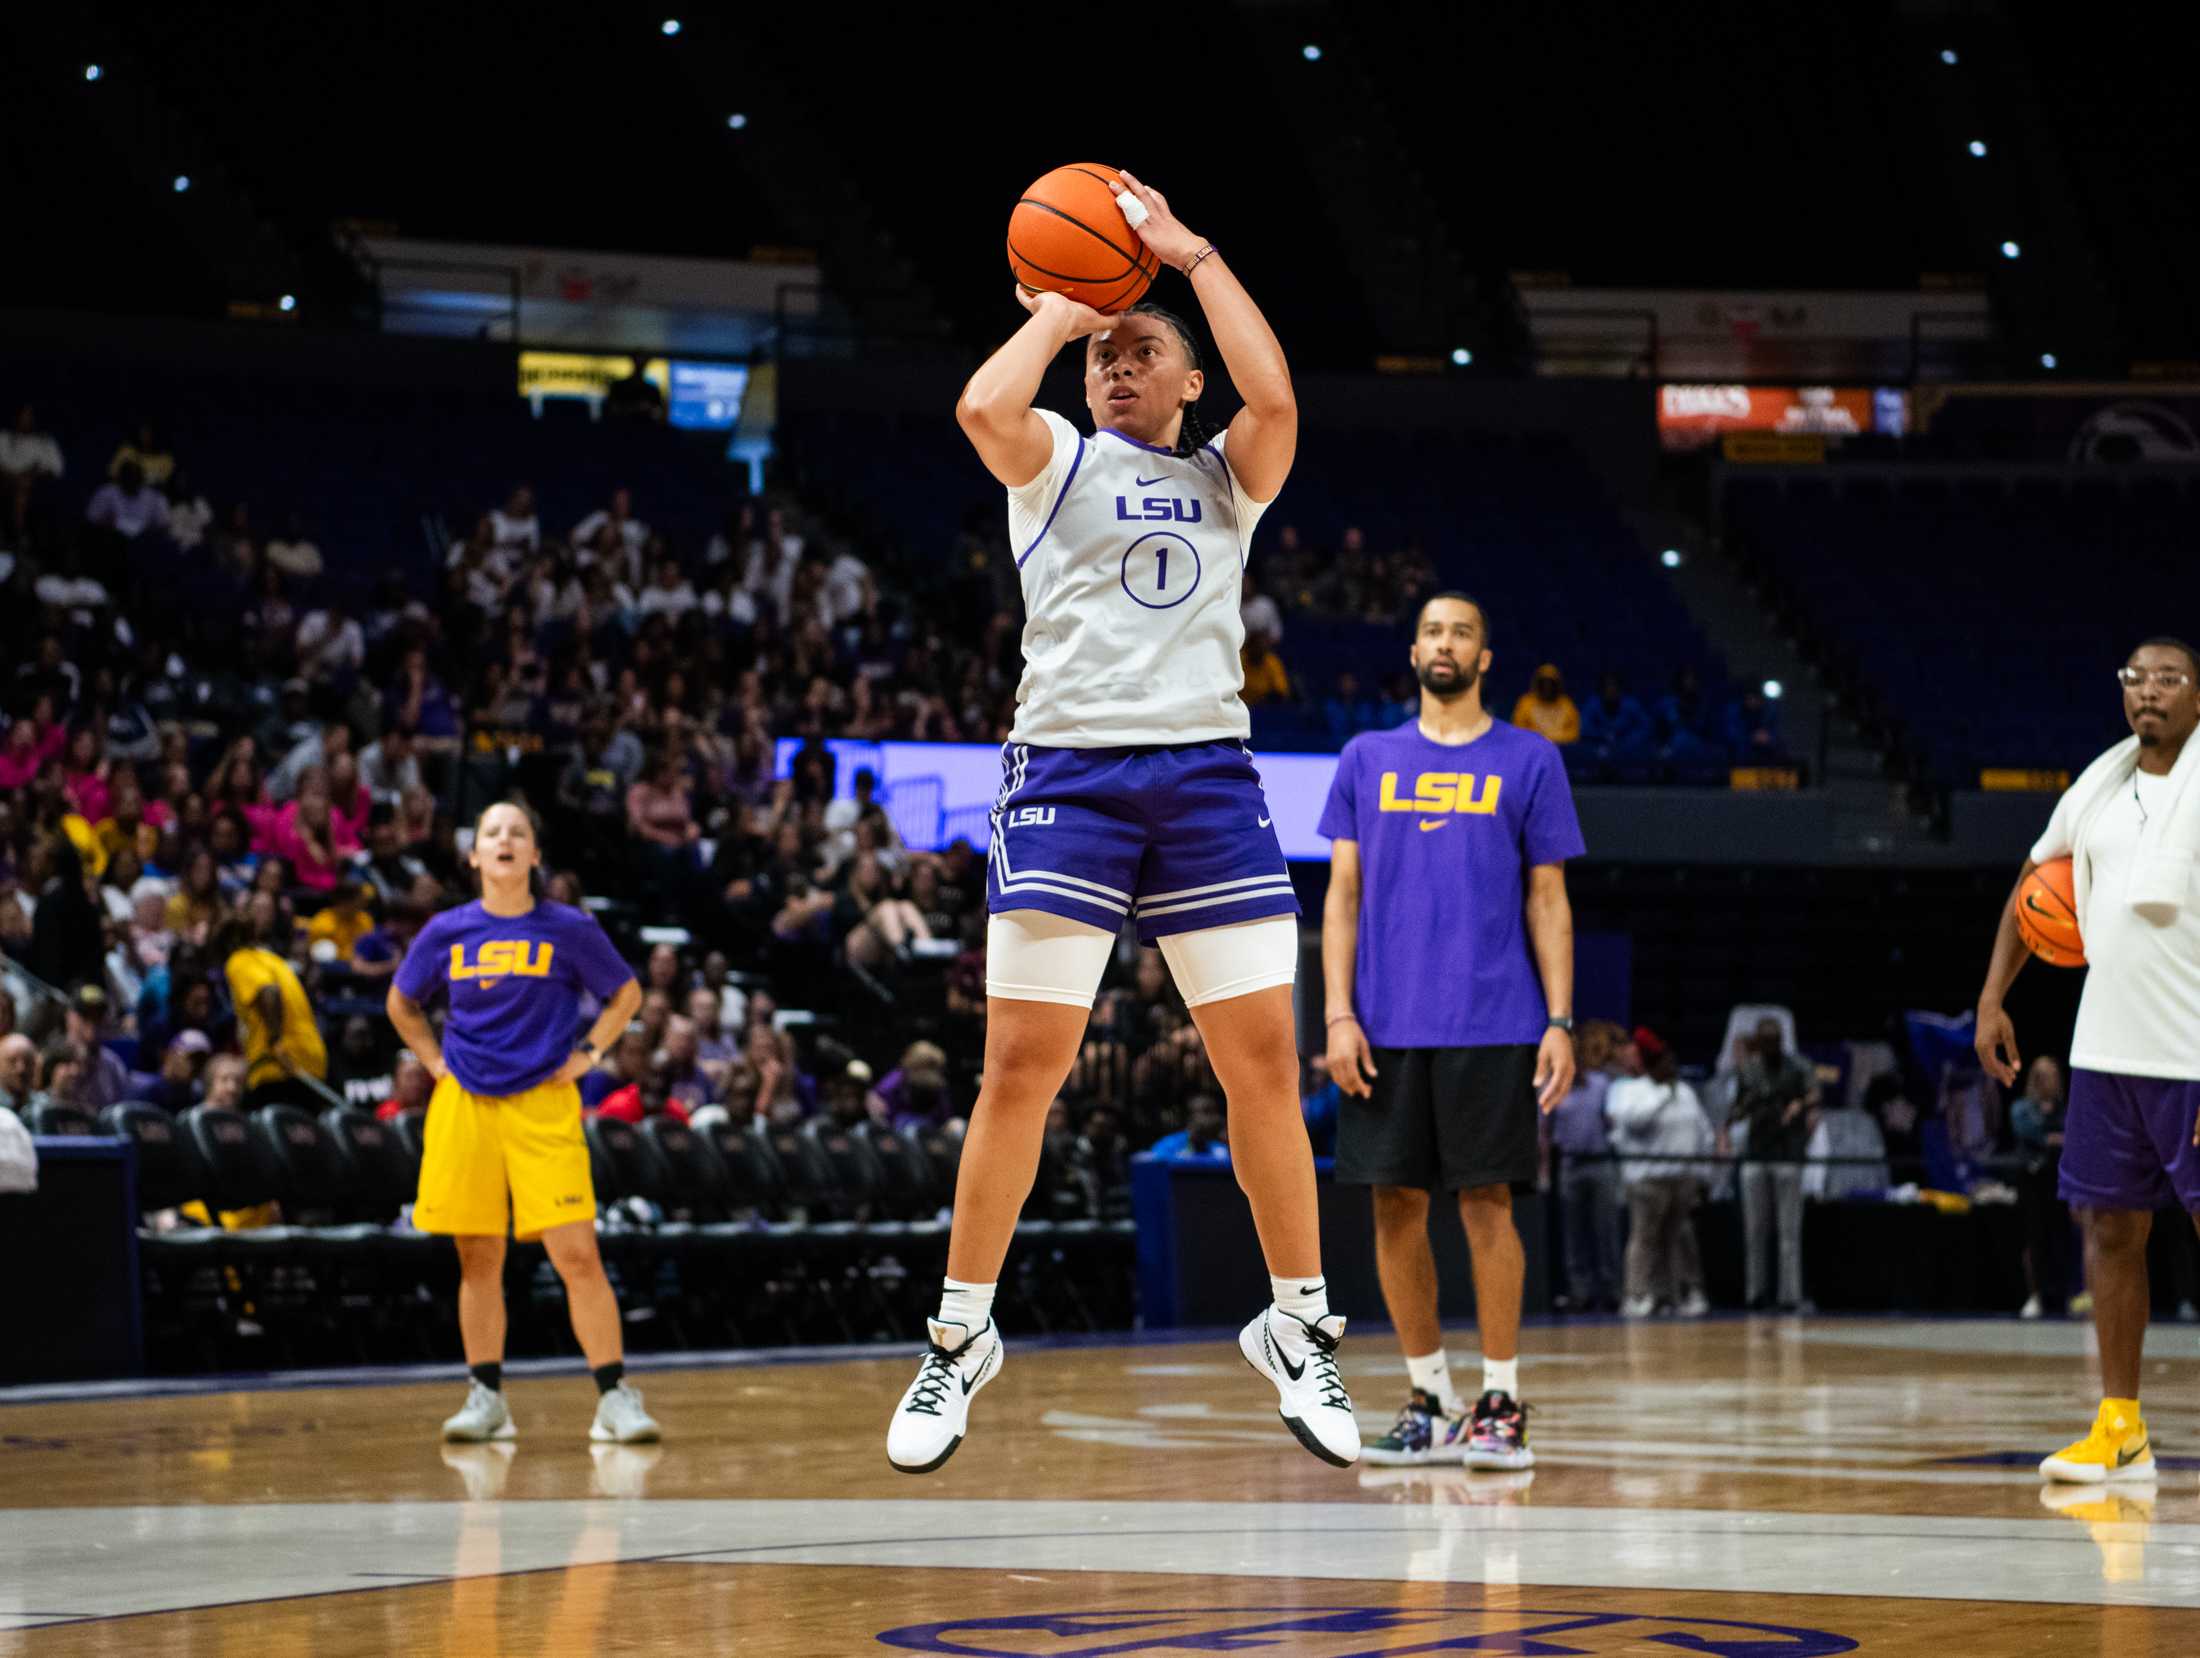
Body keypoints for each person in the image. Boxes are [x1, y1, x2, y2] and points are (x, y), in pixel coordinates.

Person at [887, 169, 1358, 1475]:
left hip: (1208, 778)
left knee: (1260, 1064)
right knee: (1019, 1069)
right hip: (1069, 779)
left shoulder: (1229, 476)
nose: (1115, 368)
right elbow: (986, 401)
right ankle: (959, 1337)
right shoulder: (1054, 461)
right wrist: (1064, 301)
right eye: (1104, 356)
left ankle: (1300, 1324)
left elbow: (1280, 398)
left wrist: (1189, 260)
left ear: (1185, 379)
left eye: (1140, 352)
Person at [1320, 591, 1584, 1470]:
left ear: (1485, 658)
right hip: (1385, 1025)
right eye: (1433, 630)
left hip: (1495, 1018)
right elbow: (1342, 896)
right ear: (1413, 652)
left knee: (1486, 1205)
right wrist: (1337, 1013)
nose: (1446, 643)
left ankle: (1500, 1402)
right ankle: (1431, 1399)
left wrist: (1559, 1020)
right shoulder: (1366, 758)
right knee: (1393, 1208)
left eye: (1462, 631)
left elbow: (1550, 898)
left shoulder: (1531, 758)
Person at [1976, 638, 2200, 1484]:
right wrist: (1994, 997)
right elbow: (2032, 884)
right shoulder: (2098, 785)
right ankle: (2121, 1429)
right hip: (2107, 1051)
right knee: (2110, 1229)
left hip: (2194, 1049)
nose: (2151, 691)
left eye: (2171, 678)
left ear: (2198, 697)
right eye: (2136, 678)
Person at [387, 801, 655, 1446]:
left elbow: (626, 994)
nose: (505, 840)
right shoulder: (446, 930)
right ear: (474, 855)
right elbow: (402, 1000)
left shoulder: (570, 927)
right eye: (492, 832)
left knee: (577, 1253)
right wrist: (431, 1061)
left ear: (534, 855)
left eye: (518, 832)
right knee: (478, 1255)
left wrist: (589, 1054)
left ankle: (615, 1396)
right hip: (466, 1105)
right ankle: (486, 1397)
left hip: (543, 1103)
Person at [1604, 1027, 1713, 1317]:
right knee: (1644, 1239)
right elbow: (1634, 1122)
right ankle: (1636, 1295)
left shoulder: (1685, 1092)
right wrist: (1663, 1095)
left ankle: (1672, 1295)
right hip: (1647, 1179)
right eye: (1664, 1063)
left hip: (1682, 1178)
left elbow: (1702, 1132)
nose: (1670, 1067)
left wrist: (1703, 1173)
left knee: (1677, 1239)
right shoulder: (1631, 1090)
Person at [1730, 1016, 1816, 1311]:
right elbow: (1736, 1109)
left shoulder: (1798, 1067)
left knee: (1788, 1232)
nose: (1770, 1048)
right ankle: (1756, 1294)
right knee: (1755, 1230)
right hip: (1756, 1153)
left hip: (1787, 1155)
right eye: (1765, 1042)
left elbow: (1815, 1093)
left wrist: (1799, 1105)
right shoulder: (1749, 1070)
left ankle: (1789, 1296)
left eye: (1775, 1042)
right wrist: (1746, 1107)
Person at [220, 893, 328, 1112]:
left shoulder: (239, 960)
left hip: (277, 1065)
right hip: (311, 1060)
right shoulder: (274, 960)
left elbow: (269, 992)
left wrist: (275, 1039)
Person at [1547, 1023, 1621, 1312]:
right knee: (1574, 1233)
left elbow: (1612, 1121)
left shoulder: (1602, 1084)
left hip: (1600, 1163)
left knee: (1606, 1229)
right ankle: (1580, 1291)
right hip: (1570, 1165)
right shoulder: (1553, 1087)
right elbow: (1544, 1131)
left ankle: (1611, 1290)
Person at [2009, 1055, 2072, 1320]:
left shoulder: (2066, 1108)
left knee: (2062, 1238)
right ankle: (2034, 1296)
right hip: (2032, 1180)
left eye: (2052, 1075)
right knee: (2034, 1238)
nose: (2048, 1081)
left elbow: (2071, 1134)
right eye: (2042, 1075)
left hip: (2058, 1179)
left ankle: (2067, 1295)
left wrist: (2054, 1137)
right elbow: (2029, 1132)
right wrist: (2052, 1137)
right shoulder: (2023, 1108)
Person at [1510, 663, 1579, 745]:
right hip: (1532, 748)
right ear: (1537, 683)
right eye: (1544, 683)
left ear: (1557, 685)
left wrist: (1554, 738)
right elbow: (1518, 730)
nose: (1547, 687)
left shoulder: (1566, 704)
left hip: (1560, 749)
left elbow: (1574, 733)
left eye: (1551, 683)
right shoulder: (1526, 702)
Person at [1147, 1094, 1230, 1162]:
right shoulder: (1168, 1144)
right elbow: (1156, 1163)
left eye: (1214, 1112)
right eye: (1206, 1112)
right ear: (1191, 1116)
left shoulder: (1219, 1147)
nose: (1212, 1118)